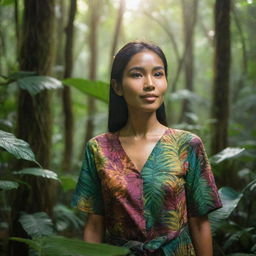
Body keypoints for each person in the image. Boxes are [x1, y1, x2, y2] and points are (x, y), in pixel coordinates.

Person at [71, 41, 222, 256]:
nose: (150, 84)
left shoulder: (187, 145)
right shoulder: (99, 148)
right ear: (117, 87)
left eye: (158, 74)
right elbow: (94, 225)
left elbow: (199, 224)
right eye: (137, 75)